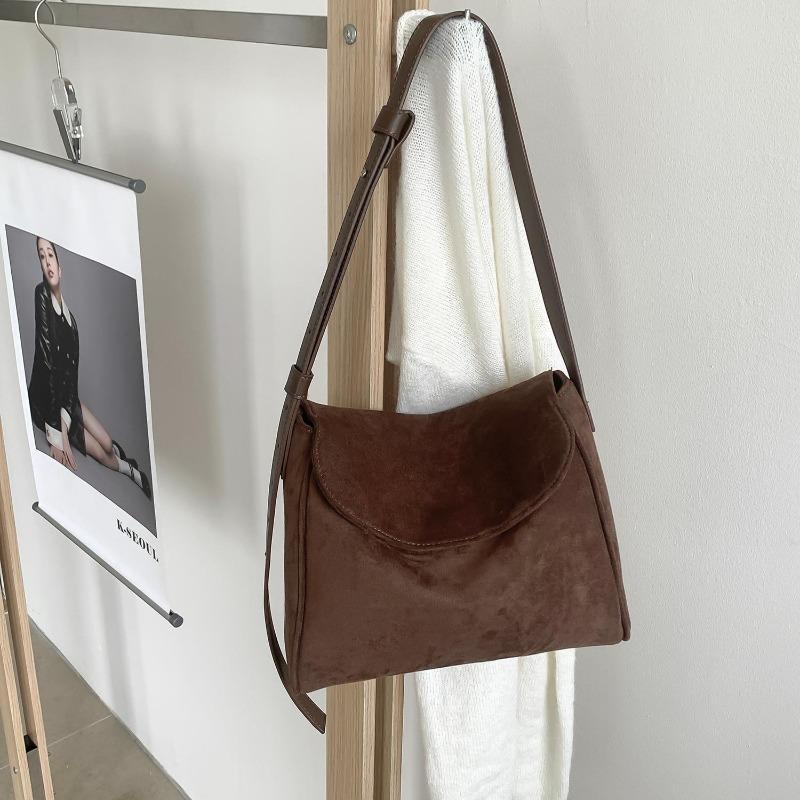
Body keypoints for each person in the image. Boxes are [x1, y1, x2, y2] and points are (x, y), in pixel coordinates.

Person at [27, 236, 151, 499]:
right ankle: (131, 471)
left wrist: (68, 414)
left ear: (60, 268)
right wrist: (58, 433)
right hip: (46, 405)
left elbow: (70, 378)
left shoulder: (72, 323)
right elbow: (48, 364)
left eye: (51, 255)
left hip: (67, 399)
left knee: (106, 441)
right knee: (101, 454)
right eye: (41, 256)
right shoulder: (41, 295)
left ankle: (120, 456)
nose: (47, 261)